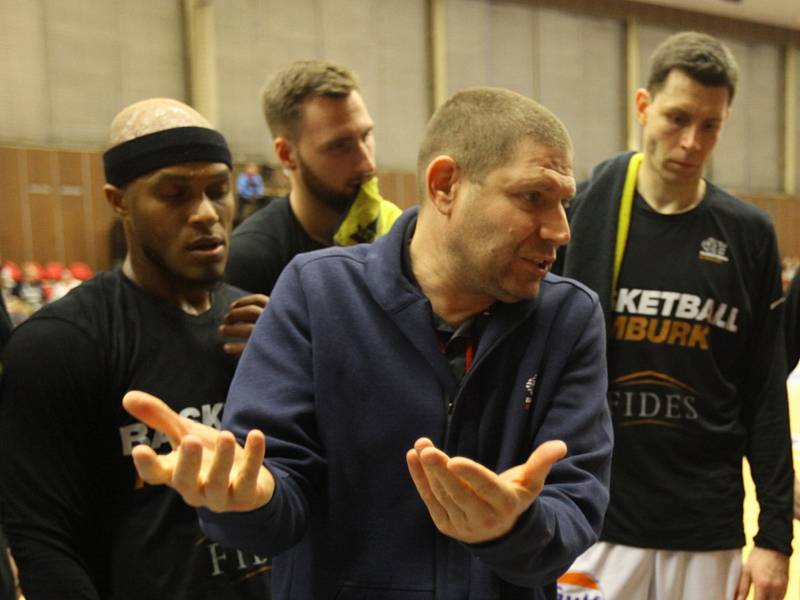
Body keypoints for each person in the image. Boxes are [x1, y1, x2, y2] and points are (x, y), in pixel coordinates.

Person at [123, 86, 614, 599]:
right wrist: (247, 499)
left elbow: (574, 505)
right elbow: (276, 490)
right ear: (445, 184)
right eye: (533, 197)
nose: (560, 230)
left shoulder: (569, 318)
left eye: (564, 203)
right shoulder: (318, 294)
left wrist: (513, 527)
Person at [0, 98, 271, 598]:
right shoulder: (60, 344)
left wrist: (297, 361)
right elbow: (43, 541)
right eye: (174, 194)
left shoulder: (269, 327)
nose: (206, 214)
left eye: (219, 190)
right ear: (118, 200)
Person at [555, 31, 793, 600]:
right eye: (677, 118)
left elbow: (763, 390)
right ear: (643, 106)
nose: (691, 141)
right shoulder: (578, 218)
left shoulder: (748, 235)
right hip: (597, 518)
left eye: (710, 125)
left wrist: (776, 537)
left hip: (704, 527)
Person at [224, 59, 401, 295]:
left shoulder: (394, 234)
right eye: (340, 146)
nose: (367, 163)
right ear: (287, 155)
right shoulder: (252, 261)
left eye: (366, 135)